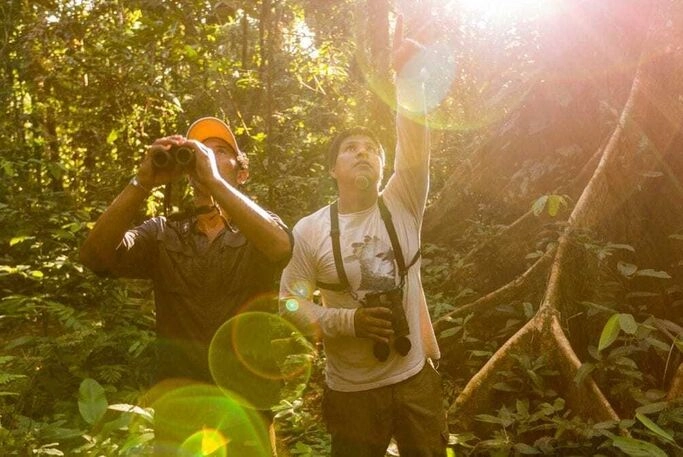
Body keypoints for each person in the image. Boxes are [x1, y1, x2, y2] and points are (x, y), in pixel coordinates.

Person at [279, 17, 447, 457]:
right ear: (333, 169)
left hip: (414, 379)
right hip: (351, 391)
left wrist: (408, 80)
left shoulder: (402, 202)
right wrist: (348, 322)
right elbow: (288, 303)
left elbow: (415, 145)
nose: (363, 153)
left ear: (382, 167)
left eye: (372, 149)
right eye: (350, 149)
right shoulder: (310, 230)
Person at [79, 117, 291, 456]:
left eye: (220, 151)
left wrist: (215, 182)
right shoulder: (163, 232)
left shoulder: (258, 228)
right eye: (201, 151)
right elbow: (96, 258)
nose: (208, 156)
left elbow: (280, 247)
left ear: (242, 172)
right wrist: (142, 182)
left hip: (246, 404)